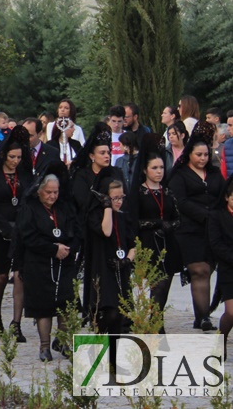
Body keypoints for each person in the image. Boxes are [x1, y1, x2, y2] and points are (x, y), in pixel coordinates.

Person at [16, 174, 80, 361]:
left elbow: (76, 231)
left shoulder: (64, 207)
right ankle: (44, 347)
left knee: (66, 303)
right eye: (49, 192)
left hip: (64, 262)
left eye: (55, 192)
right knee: (44, 306)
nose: (52, 196)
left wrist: (69, 249)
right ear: (39, 192)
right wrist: (53, 249)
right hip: (40, 263)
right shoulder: (30, 209)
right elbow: (28, 237)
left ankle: (63, 341)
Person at [168, 136, 223, 331]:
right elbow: (180, 201)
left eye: (206, 155)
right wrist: (205, 214)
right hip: (189, 228)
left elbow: (223, 196)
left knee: (207, 270)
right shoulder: (180, 175)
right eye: (199, 155)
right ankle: (204, 316)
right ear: (189, 154)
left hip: (213, 229)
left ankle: (201, 314)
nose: (203, 158)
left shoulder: (215, 174)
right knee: (199, 270)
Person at [0, 137, 31, 342]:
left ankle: (16, 322)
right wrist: (4, 227)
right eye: (12, 157)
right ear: (3, 156)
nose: (15, 161)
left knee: (20, 275)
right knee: (1, 275)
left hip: (20, 229)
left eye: (19, 157)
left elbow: (28, 198)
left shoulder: (24, 174)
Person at [127, 149, 181, 314]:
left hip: (167, 243)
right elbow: (132, 220)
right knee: (157, 285)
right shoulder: (138, 192)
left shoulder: (167, 191)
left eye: (161, 168)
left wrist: (169, 226)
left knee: (165, 286)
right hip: (148, 242)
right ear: (145, 170)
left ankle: (157, 320)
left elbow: (178, 217)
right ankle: (156, 325)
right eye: (155, 168)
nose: (159, 172)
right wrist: (156, 223)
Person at [86, 179, 136, 335]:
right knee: (108, 312)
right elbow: (106, 231)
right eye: (115, 198)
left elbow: (134, 244)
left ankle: (114, 353)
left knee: (120, 314)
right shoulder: (96, 216)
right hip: (103, 270)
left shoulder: (124, 217)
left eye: (121, 197)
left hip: (121, 269)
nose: (119, 201)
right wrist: (107, 206)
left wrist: (127, 260)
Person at [209, 176, 233, 345]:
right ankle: (221, 339)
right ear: (227, 197)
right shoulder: (217, 216)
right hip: (228, 268)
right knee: (231, 313)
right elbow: (216, 245)